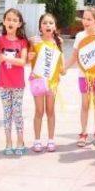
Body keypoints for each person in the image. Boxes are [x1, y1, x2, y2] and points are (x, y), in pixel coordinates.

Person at [66, 7, 95, 148]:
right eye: (84, 18)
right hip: (84, 76)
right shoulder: (79, 36)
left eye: (89, 19)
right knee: (85, 105)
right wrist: (64, 68)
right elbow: (74, 56)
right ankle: (83, 133)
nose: (85, 21)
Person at [0, 8, 29, 156]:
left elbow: (23, 61)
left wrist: (6, 58)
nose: (11, 22)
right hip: (3, 84)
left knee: (17, 113)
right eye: (8, 19)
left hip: (18, 84)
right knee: (7, 113)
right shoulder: (0, 39)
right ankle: (8, 142)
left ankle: (20, 141)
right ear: (4, 22)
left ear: (19, 24)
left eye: (14, 20)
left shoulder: (23, 42)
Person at [28, 13, 65, 153]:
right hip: (38, 82)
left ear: (55, 27)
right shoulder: (34, 41)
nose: (48, 25)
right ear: (40, 27)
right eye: (44, 23)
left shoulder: (58, 42)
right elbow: (28, 58)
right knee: (39, 111)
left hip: (52, 83)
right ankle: (37, 140)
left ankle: (51, 140)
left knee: (50, 111)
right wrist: (29, 57)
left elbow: (61, 64)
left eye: (50, 23)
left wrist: (63, 69)